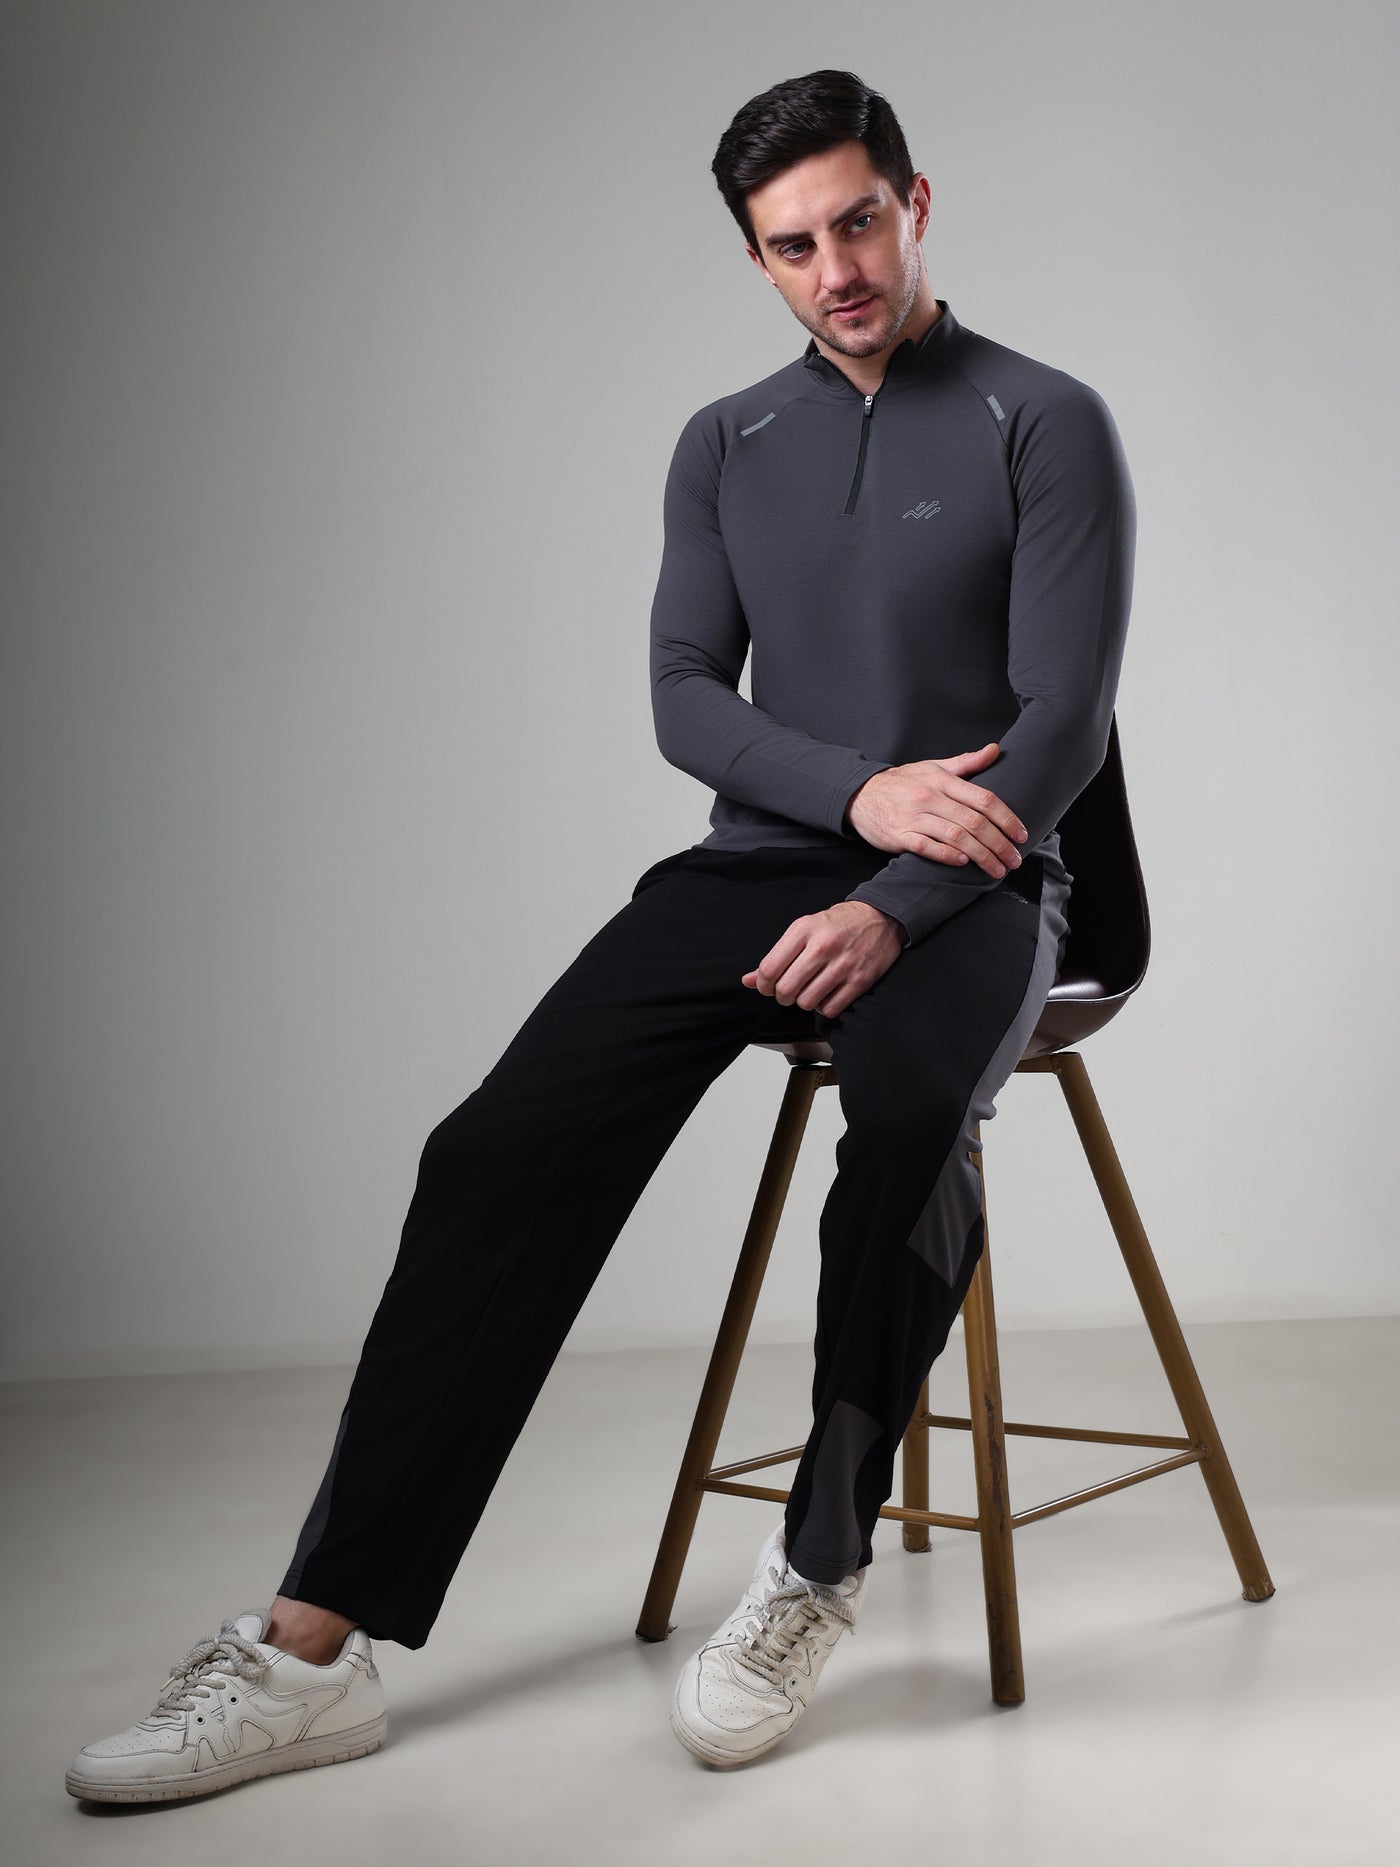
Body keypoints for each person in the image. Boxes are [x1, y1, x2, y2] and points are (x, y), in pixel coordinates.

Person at [66, 67, 1135, 1800]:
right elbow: (684, 697)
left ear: (916, 202)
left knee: (909, 1125)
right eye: (792, 246)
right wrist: (856, 801)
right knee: (492, 1152)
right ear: (755, 260)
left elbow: (1064, 723)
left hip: (984, 883)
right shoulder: (728, 442)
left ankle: (816, 1566)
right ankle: (315, 1648)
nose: (837, 271)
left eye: (859, 222)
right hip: (763, 862)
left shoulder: (1045, 417)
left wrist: (895, 897)